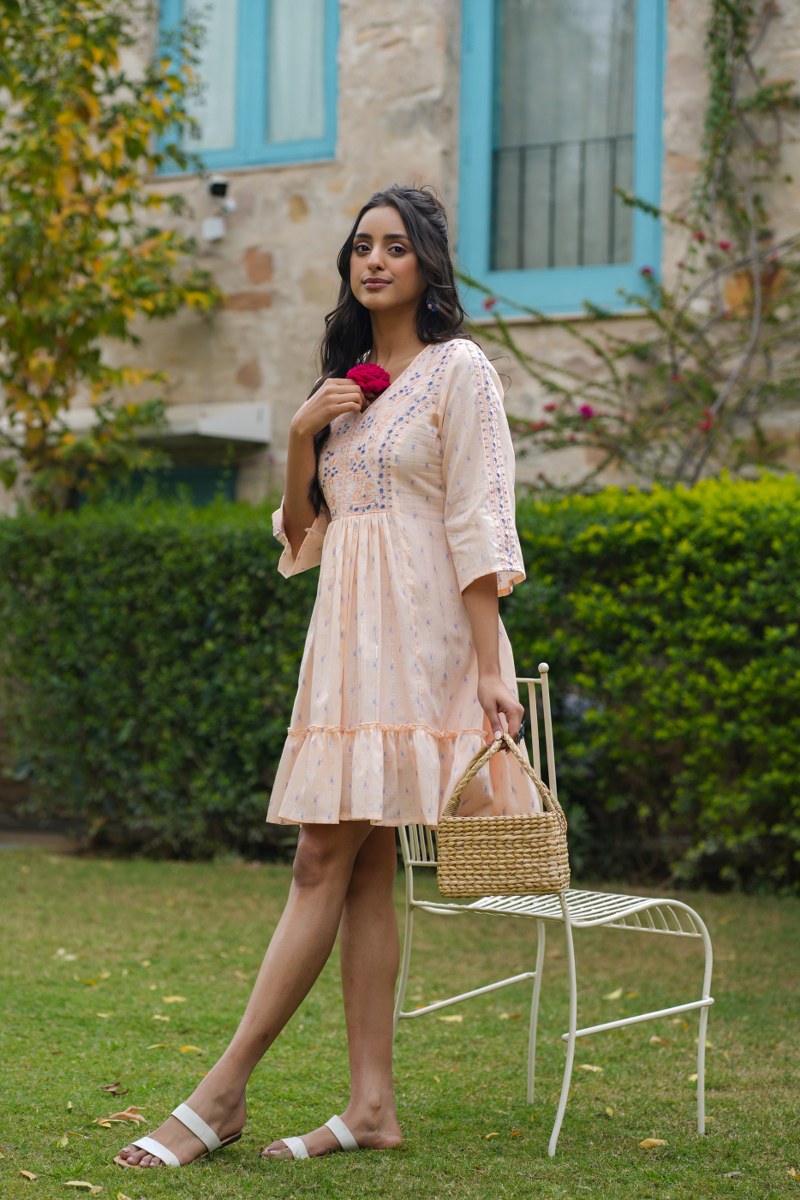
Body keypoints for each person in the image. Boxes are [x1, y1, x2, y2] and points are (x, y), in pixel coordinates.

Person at [115, 184, 535, 1170]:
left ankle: (219, 1094)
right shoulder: (343, 386)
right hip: (345, 643)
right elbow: (301, 540)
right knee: (362, 872)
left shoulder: (457, 371)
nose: (374, 261)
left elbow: (477, 518)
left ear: (427, 262)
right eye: (360, 247)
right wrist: (304, 431)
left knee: (319, 858)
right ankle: (372, 1107)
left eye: (394, 246)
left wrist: (488, 668)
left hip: (422, 641)